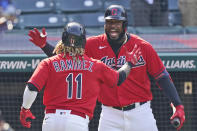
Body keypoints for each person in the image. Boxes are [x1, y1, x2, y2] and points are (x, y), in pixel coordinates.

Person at [27, 5, 185, 131]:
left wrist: (177, 105)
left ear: (125, 24)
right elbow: (64, 59)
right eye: (109, 22)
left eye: (117, 22)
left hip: (140, 112)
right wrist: (45, 46)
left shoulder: (142, 46)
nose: (112, 26)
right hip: (110, 114)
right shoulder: (92, 44)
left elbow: (162, 77)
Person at [20, 22, 141, 131]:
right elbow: (119, 78)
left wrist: (25, 109)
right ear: (83, 41)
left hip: (51, 120)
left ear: (63, 39)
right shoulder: (95, 65)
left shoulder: (48, 63)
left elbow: (31, 88)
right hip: (77, 121)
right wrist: (129, 63)